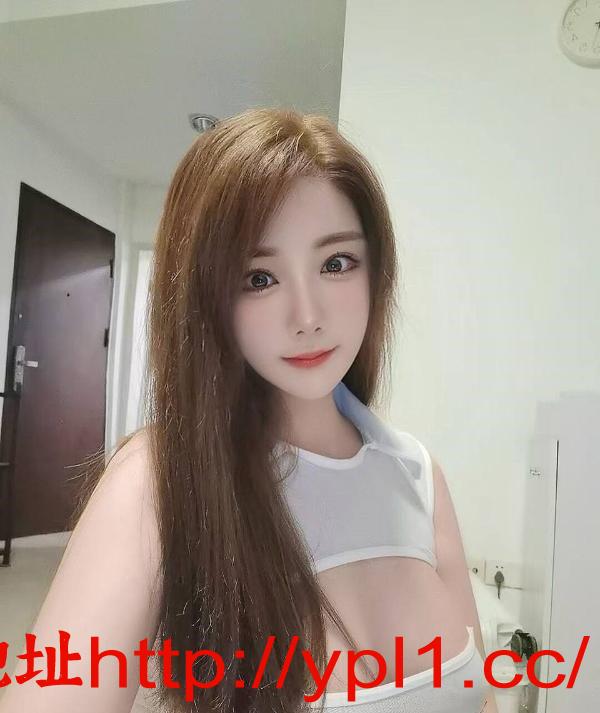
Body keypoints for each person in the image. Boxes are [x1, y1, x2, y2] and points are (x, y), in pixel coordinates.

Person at [0, 107, 498, 713]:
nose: (307, 316)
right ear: (206, 297)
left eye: (336, 263)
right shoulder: (163, 478)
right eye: (259, 278)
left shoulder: (419, 476)